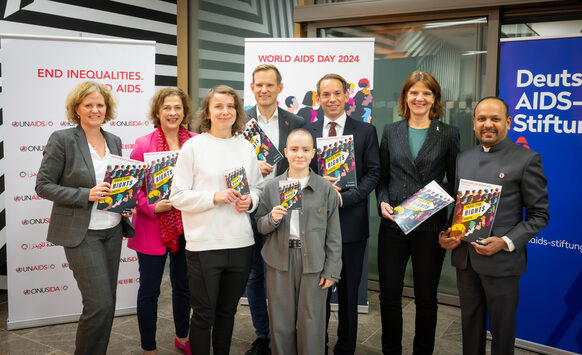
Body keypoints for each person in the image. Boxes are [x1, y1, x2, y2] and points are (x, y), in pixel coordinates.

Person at [439, 97, 549, 355]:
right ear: (474, 123)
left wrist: (506, 242)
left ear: (508, 123)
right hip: (466, 260)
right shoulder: (463, 157)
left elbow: (539, 215)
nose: (488, 124)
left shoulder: (527, 159)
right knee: (469, 325)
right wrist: (447, 233)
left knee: (502, 331)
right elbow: (458, 207)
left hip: (502, 262)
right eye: (482, 119)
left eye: (495, 119)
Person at [35, 81, 135, 355]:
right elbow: (43, 185)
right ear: (77, 108)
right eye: (88, 105)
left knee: (107, 303)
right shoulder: (63, 139)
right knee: (99, 303)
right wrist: (86, 194)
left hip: (112, 229)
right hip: (82, 233)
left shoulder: (113, 139)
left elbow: (117, 183)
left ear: (107, 108)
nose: (95, 110)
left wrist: (124, 202)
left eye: (100, 105)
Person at [170, 85, 263, 355]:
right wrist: (214, 197)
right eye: (218, 106)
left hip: (241, 243)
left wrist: (251, 201)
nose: (225, 111)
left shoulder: (245, 147)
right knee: (203, 315)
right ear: (208, 112)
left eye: (230, 106)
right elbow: (177, 196)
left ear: (237, 112)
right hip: (204, 245)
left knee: (227, 313)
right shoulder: (193, 146)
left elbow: (257, 188)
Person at [375, 71, 460, 354]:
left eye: (426, 93)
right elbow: (383, 176)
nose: (419, 98)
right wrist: (382, 200)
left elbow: (455, 179)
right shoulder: (390, 131)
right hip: (394, 224)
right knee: (389, 296)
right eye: (414, 92)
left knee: (426, 298)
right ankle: (391, 350)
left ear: (434, 98)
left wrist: (433, 199)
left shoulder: (448, 133)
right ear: (405, 97)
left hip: (430, 226)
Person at [305, 73, 381, 355]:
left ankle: (345, 348)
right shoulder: (307, 130)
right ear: (318, 98)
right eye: (325, 94)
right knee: (318, 293)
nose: (332, 99)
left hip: (351, 224)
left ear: (347, 95)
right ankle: (317, 345)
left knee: (349, 293)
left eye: (337, 93)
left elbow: (374, 173)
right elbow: (299, 172)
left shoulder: (365, 131)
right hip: (315, 225)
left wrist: (346, 198)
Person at [255, 128, 342, 354]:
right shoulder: (272, 187)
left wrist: (331, 270)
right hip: (279, 260)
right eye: (294, 149)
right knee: (280, 322)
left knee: (312, 322)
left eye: (305, 150)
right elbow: (260, 226)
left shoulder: (325, 189)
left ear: (313, 153)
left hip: (314, 261)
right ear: (285, 152)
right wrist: (272, 218)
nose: (299, 155)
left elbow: (333, 235)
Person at [128, 87, 196, 355]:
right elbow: (132, 189)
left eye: (177, 108)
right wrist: (152, 207)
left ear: (184, 112)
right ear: (157, 111)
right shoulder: (143, 144)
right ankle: (149, 348)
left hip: (187, 227)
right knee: (149, 291)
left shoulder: (195, 141)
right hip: (152, 228)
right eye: (167, 107)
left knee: (184, 287)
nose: (172, 113)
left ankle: (183, 337)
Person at [244, 64, 305, 355]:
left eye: (270, 85)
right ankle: (262, 335)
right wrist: (250, 167)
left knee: (284, 273)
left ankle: (287, 332)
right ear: (252, 87)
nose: (264, 90)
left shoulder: (296, 121)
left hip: (286, 208)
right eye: (259, 85)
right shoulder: (238, 119)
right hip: (249, 207)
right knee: (256, 275)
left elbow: (305, 159)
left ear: (280, 88)